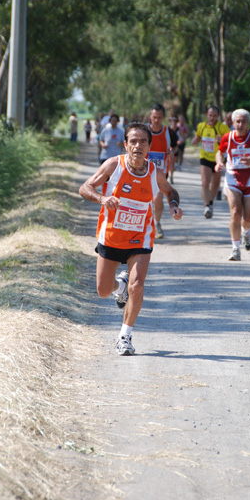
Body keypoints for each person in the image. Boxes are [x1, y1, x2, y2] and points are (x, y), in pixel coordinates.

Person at [78, 122, 183, 356]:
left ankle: (125, 336)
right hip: (112, 236)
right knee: (103, 290)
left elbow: (170, 191)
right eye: (133, 141)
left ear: (149, 147)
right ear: (125, 144)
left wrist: (174, 206)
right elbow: (84, 188)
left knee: (138, 285)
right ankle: (119, 286)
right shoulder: (113, 165)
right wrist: (102, 198)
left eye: (143, 141)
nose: (138, 145)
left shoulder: (154, 172)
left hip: (141, 237)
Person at [215, 108, 250, 261]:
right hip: (232, 178)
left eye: (243, 121)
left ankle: (246, 232)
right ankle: (235, 249)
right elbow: (220, 152)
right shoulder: (228, 137)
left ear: (248, 123)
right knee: (236, 213)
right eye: (238, 121)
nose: (240, 124)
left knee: (249, 218)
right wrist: (219, 163)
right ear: (233, 122)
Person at [191, 106, 230, 218]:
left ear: (217, 116)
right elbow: (198, 136)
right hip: (205, 157)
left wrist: (221, 140)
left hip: (217, 159)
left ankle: (211, 202)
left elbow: (230, 140)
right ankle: (206, 206)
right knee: (205, 181)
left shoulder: (222, 127)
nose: (212, 118)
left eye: (214, 116)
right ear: (207, 115)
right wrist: (195, 140)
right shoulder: (201, 126)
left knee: (215, 184)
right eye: (210, 115)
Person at [148, 103, 178, 239]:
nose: (156, 120)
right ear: (150, 116)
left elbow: (176, 146)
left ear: (163, 118)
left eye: (159, 117)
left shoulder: (168, 132)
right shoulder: (144, 132)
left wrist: (172, 152)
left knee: (158, 199)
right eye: (154, 117)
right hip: (144, 172)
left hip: (161, 173)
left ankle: (157, 223)